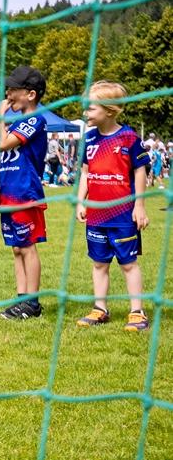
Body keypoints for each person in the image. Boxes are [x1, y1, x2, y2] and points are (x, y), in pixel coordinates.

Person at [75, 81, 150, 331]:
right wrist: (81, 200)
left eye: (90, 108)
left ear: (109, 110)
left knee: (128, 264)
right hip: (96, 215)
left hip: (122, 216)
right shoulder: (89, 139)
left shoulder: (128, 138)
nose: (86, 113)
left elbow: (140, 171)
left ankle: (137, 312)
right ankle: (100, 309)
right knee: (99, 263)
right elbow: (85, 172)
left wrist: (139, 205)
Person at [0, 65, 49, 320]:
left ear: (30, 94)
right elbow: (3, 156)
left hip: (25, 193)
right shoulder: (19, 121)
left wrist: (0, 118)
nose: (8, 94)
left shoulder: (35, 120)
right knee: (17, 248)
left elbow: (3, 143)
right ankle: (21, 298)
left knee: (27, 247)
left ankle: (32, 303)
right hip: (9, 191)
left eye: (13, 90)